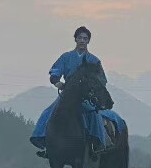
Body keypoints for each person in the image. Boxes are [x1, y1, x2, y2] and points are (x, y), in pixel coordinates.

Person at [31, 26, 109, 157]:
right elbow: (55, 72)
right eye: (80, 38)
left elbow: (102, 79)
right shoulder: (66, 57)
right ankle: (45, 142)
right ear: (75, 40)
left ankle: (96, 145)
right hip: (67, 95)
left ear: (89, 41)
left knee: (94, 115)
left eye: (85, 38)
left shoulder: (94, 60)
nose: (82, 41)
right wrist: (57, 82)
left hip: (86, 97)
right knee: (49, 112)